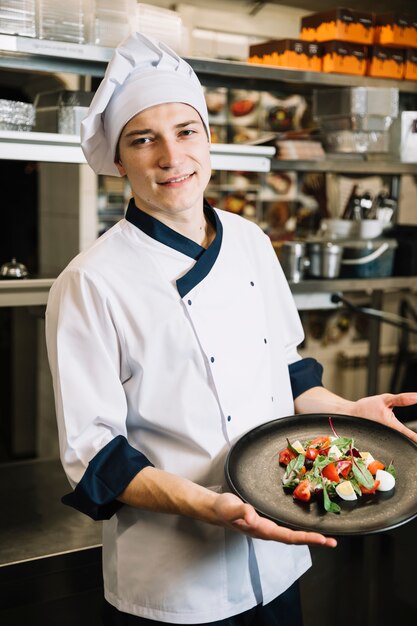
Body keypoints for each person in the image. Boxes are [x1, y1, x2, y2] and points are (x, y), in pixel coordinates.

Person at [45, 32, 417, 626]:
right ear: (120, 161)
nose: (172, 157)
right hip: (174, 582)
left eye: (186, 131)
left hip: (279, 556)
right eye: (144, 140)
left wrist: (348, 414)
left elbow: (288, 375)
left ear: (209, 139)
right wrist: (212, 505)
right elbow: (95, 457)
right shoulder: (91, 280)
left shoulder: (251, 240)